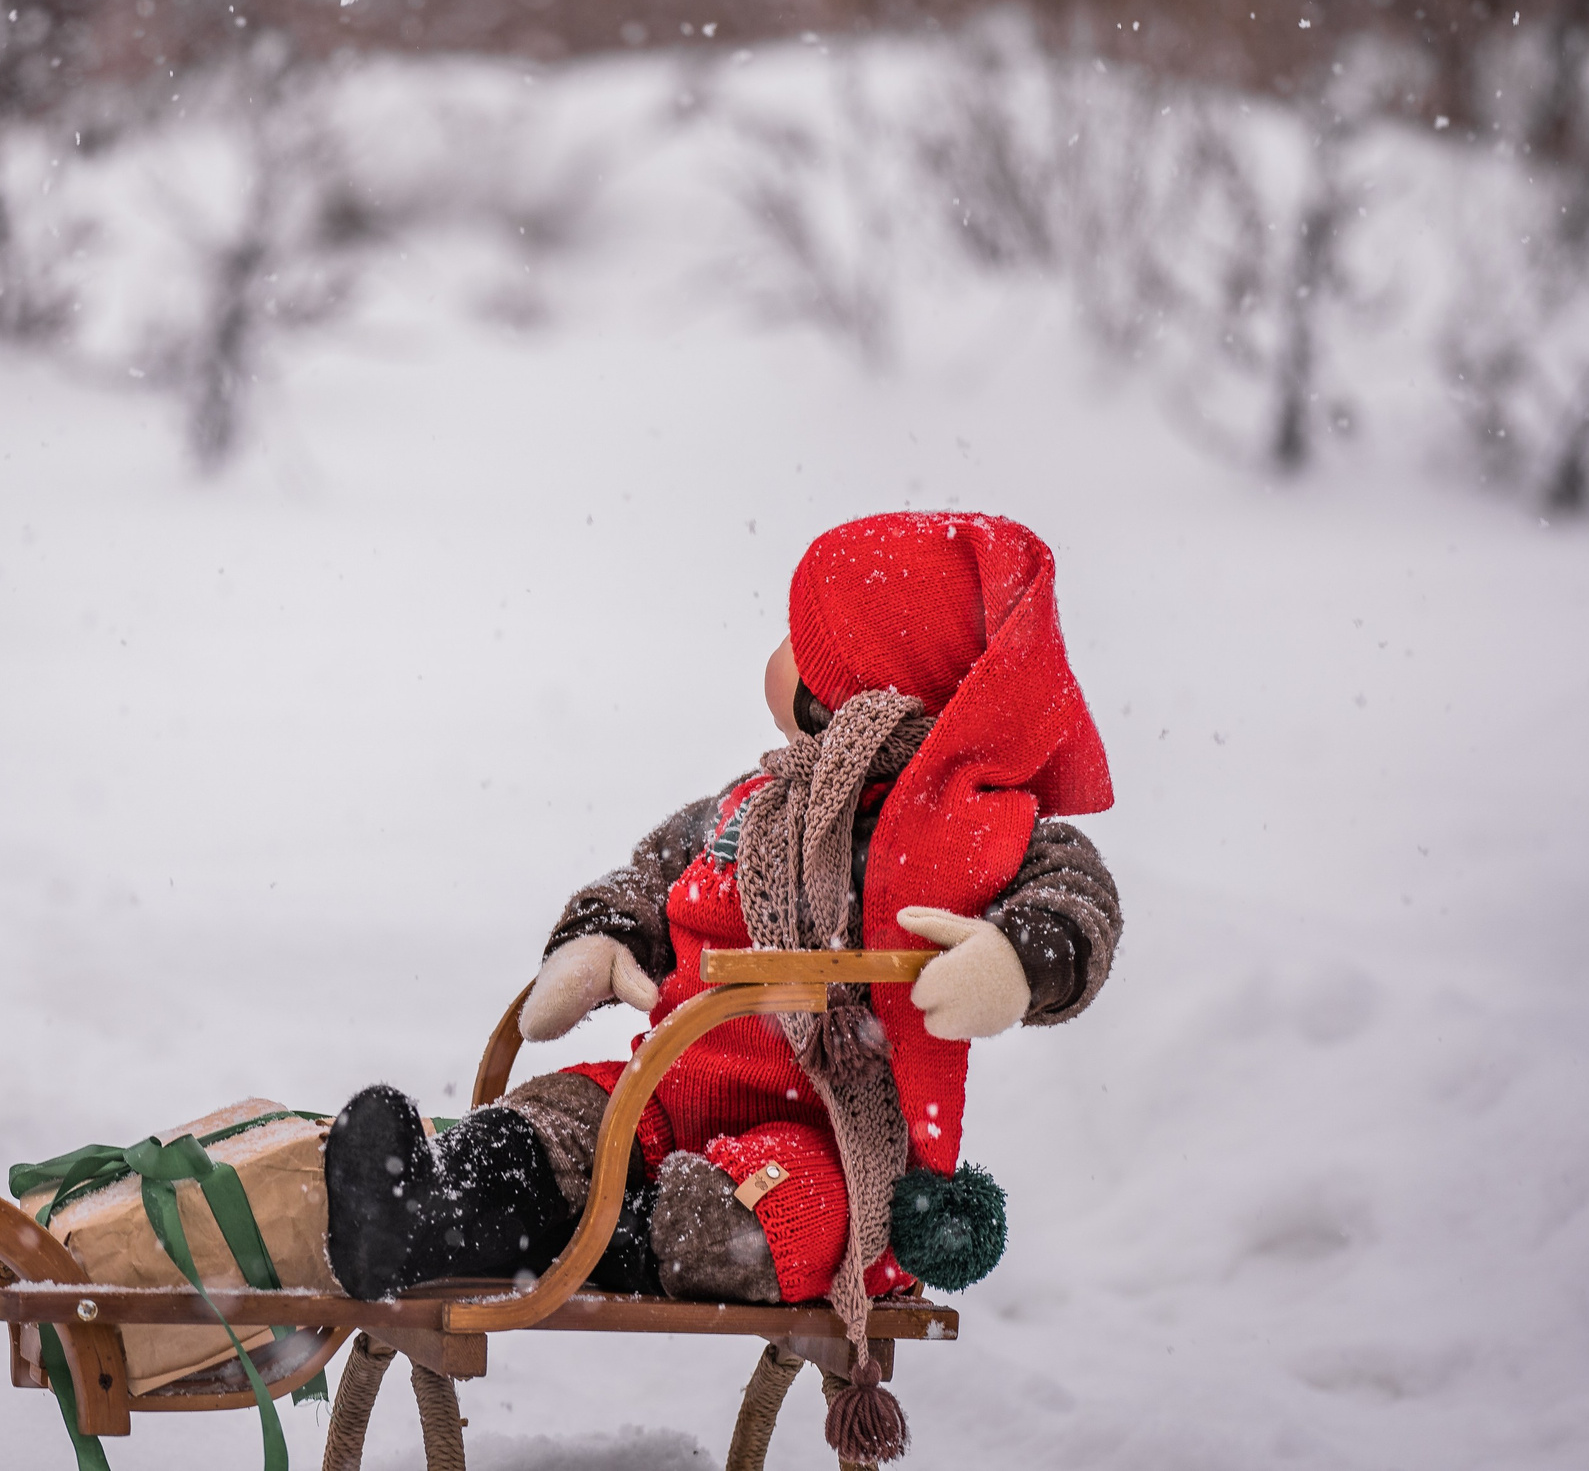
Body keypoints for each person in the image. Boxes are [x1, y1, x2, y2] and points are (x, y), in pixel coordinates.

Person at [323, 513, 1122, 1457]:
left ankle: (591, 1229)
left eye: (807, 647)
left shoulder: (977, 828)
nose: (780, 659)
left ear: (852, 690)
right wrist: (599, 935)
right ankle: (427, 1207)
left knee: (749, 1220)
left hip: (827, 1130)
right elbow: (654, 875)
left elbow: (1078, 889)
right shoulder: (752, 804)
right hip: (663, 1090)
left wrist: (1022, 957)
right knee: (559, 1118)